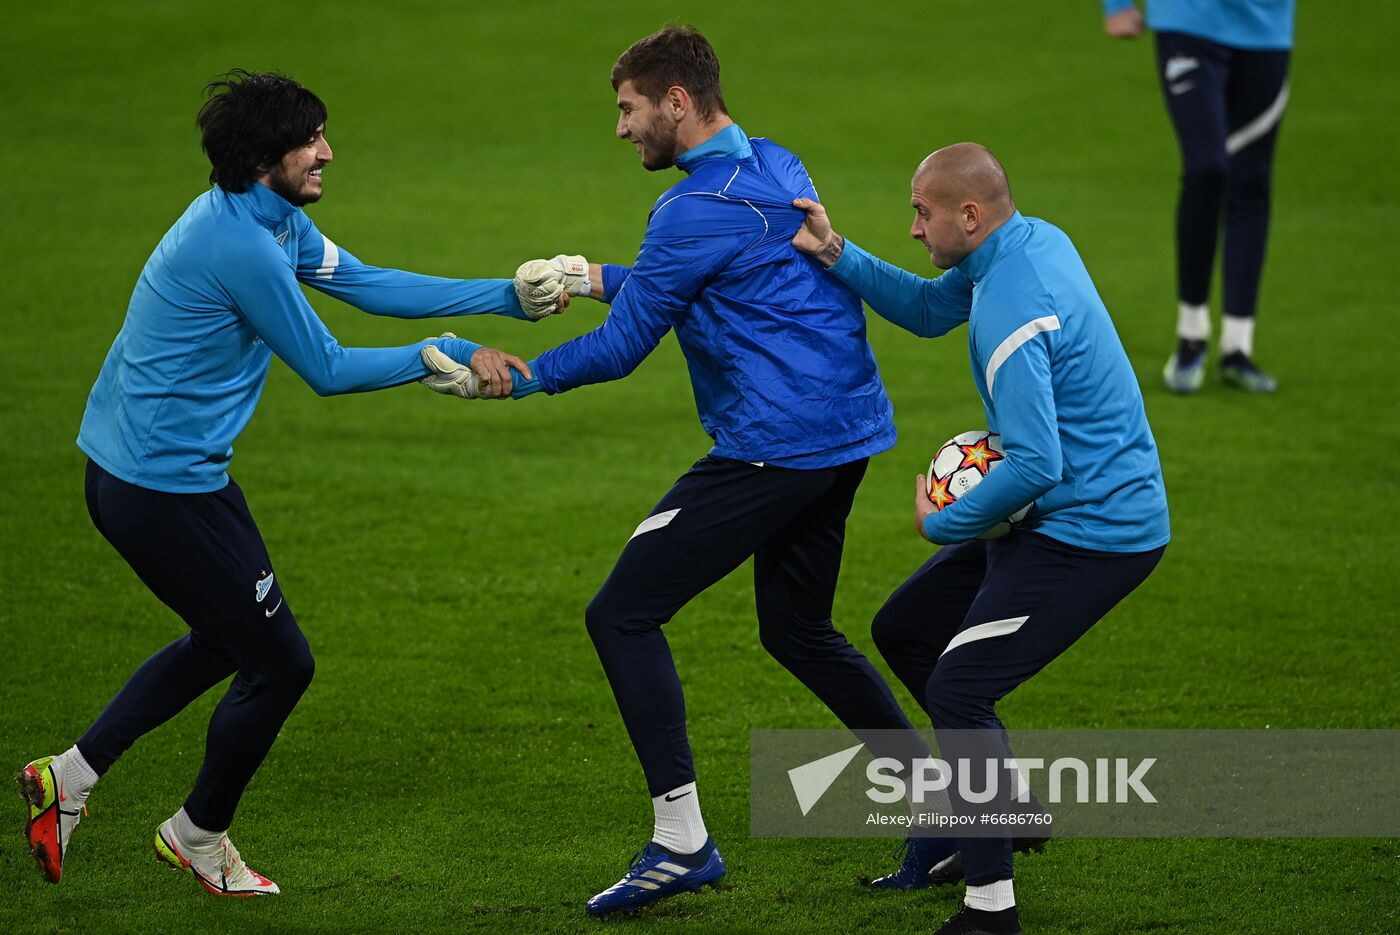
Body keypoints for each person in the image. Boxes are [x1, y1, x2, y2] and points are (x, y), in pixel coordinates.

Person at [16, 69, 545, 897]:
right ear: (266, 157)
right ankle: (197, 834)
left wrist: (503, 299)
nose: (329, 151)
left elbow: (365, 282)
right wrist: (439, 355)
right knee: (280, 663)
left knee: (231, 641)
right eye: (312, 141)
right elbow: (328, 368)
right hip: (157, 492)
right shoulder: (240, 247)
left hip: (167, 476)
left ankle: (70, 777)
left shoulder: (267, 216)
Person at [450, 25, 933, 917]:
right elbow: (716, 275)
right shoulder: (776, 164)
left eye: (629, 109)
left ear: (677, 102)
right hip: (844, 438)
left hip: (770, 448)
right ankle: (942, 807)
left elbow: (630, 344)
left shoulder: (687, 211)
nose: (622, 130)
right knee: (798, 629)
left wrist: (520, 378)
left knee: (622, 613)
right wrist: (594, 273)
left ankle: (683, 842)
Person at [789, 144, 1170, 935]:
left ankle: (990, 908)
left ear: (970, 214)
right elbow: (930, 310)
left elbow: (1035, 461)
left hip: (1098, 531)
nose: (913, 228)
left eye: (923, 212)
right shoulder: (1030, 241)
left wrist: (942, 523)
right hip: (1059, 513)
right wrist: (835, 251)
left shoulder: (1009, 308)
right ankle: (998, 810)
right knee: (906, 629)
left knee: (960, 686)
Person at [1103, 0, 1296, 393]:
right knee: (1207, 169)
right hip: (1187, 19)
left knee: (1252, 181)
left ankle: (1237, 348)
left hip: (1267, 27)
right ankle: (1192, 336)